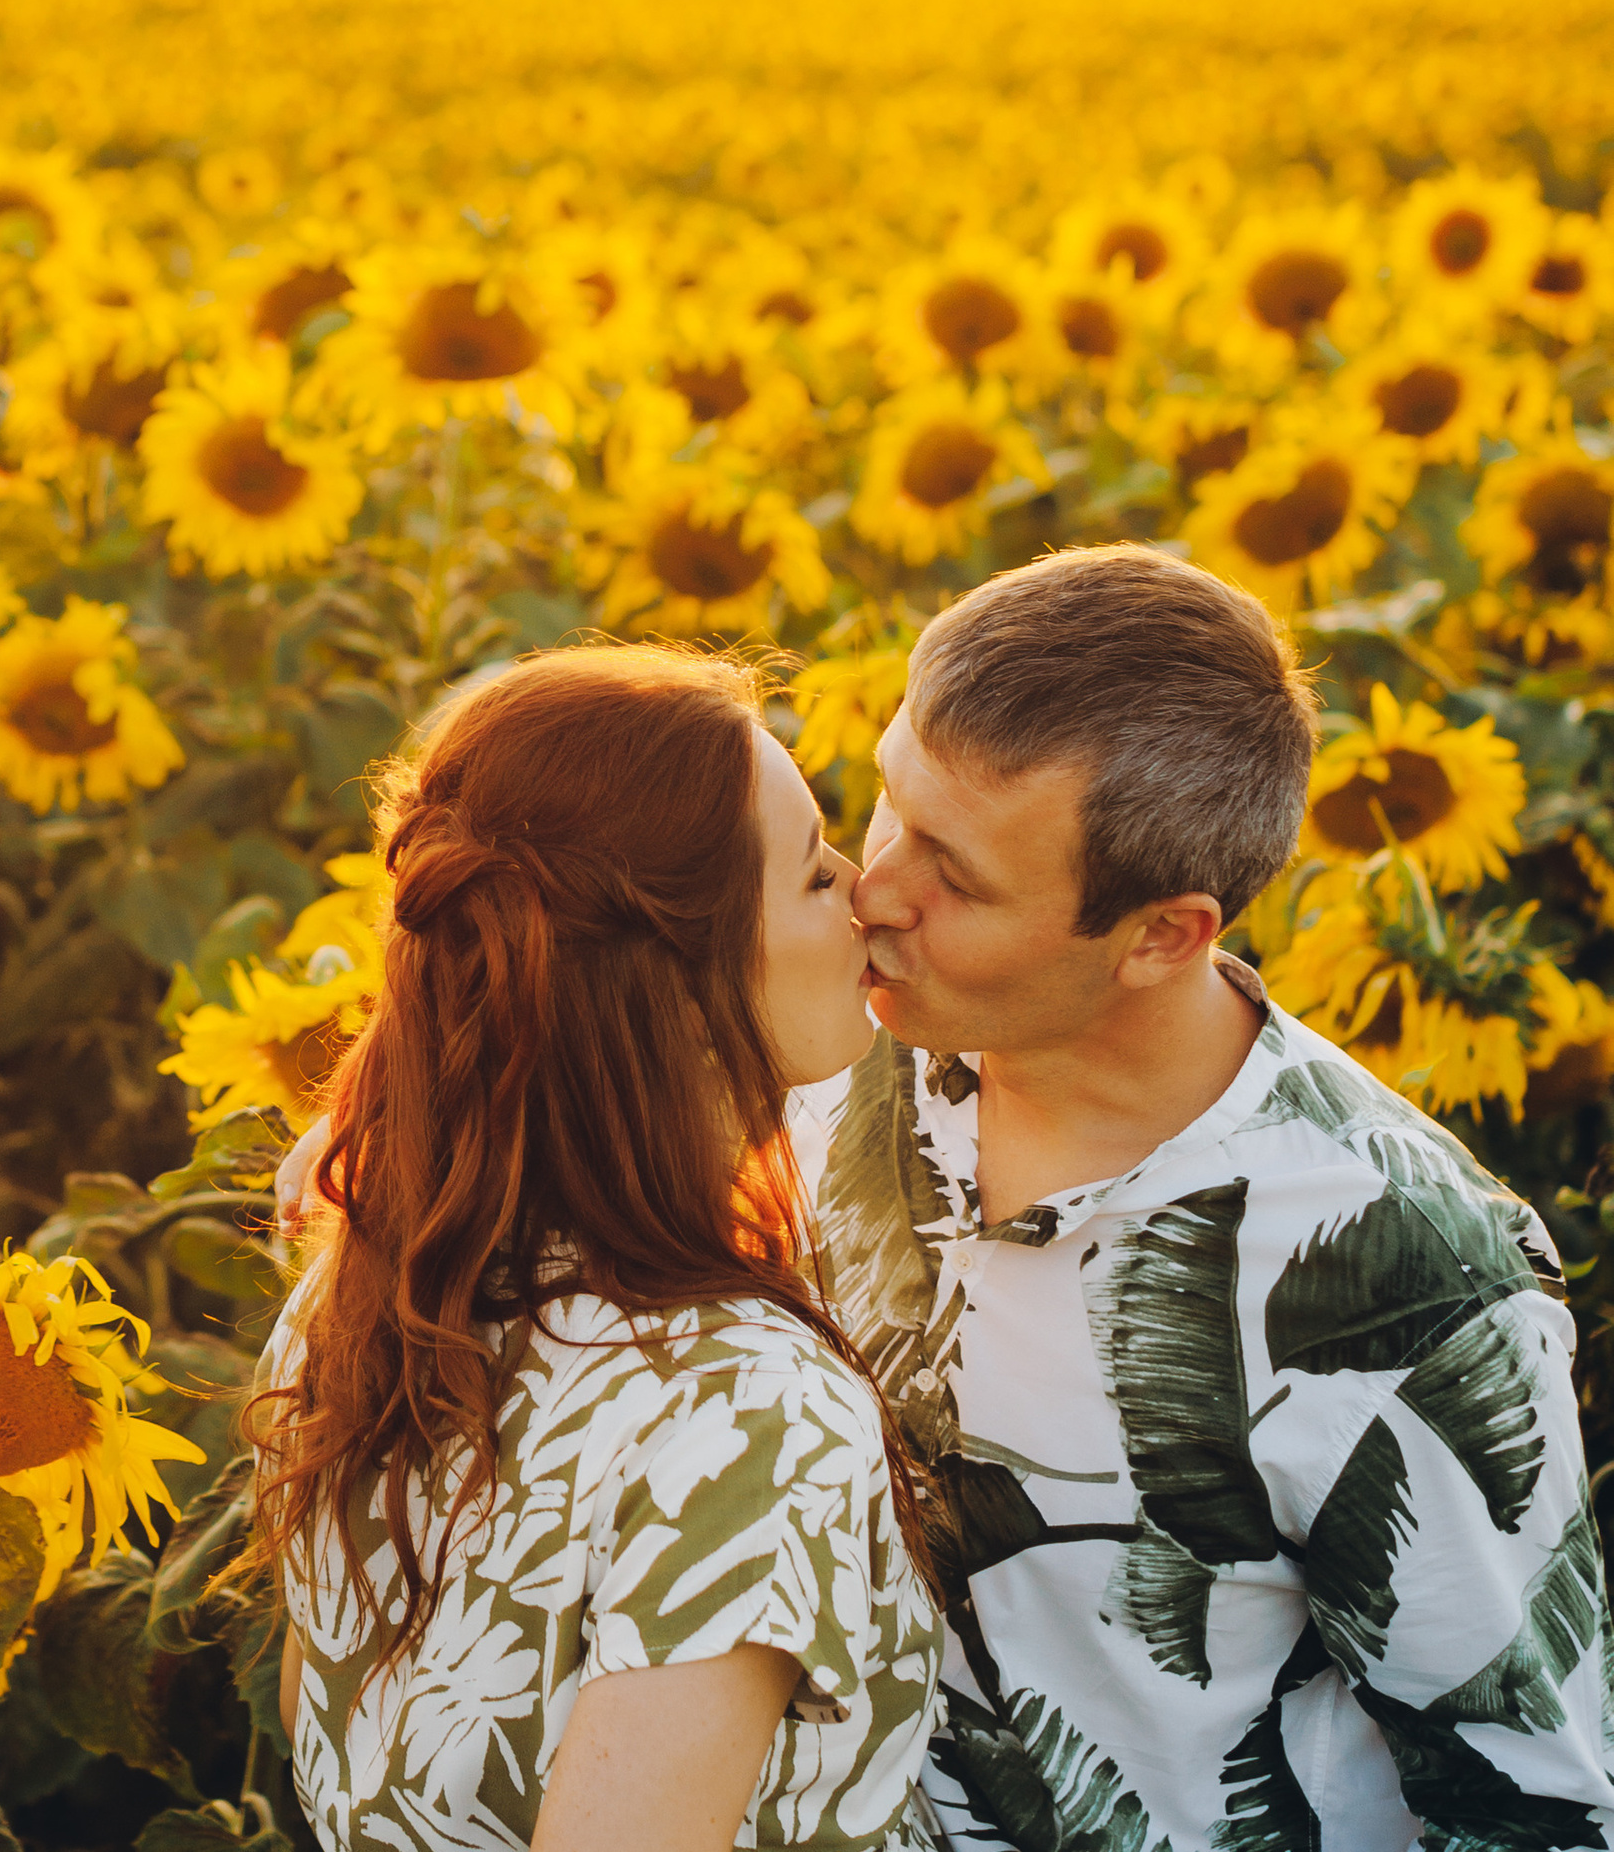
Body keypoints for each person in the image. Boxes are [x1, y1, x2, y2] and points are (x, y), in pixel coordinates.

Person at [284, 547, 1614, 1848]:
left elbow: (1533, 1807)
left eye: (958, 878)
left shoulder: (1401, 1279)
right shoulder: (811, 1050)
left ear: (1161, 935)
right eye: (887, 807)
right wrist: (410, 1108)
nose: (873, 892)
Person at [249, 644, 942, 1852]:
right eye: (811, 871)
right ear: (678, 990)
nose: (866, 890)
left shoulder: (352, 1300)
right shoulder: (750, 1414)